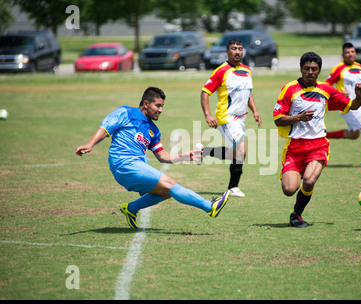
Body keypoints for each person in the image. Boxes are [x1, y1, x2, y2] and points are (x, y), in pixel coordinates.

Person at [75, 87, 230, 230]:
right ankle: (210, 207)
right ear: (146, 103)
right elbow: (105, 128)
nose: (161, 110)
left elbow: (162, 156)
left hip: (136, 166)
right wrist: (90, 144)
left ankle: (131, 209)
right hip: (124, 162)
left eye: (162, 106)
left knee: (165, 192)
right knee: (169, 183)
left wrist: (184, 156)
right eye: (158, 106)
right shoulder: (125, 113)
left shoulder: (153, 130)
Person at [273, 52, 361, 228]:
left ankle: (296, 214)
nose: (310, 72)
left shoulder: (327, 90)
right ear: (301, 69)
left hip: (318, 145)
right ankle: (298, 178)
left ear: (319, 71)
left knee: (308, 180)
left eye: (314, 69)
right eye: (306, 68)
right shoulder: (290, 89)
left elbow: (352, 105)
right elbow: (278, 118)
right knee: (288, 190)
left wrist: (359, 96)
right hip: (295, 146)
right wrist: (298, 117)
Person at [199, 38, 261, 198]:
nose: (237, 51)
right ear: (227, 52)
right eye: (234, 48)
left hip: (241, 119)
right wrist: (208, 114)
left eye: (240, 48)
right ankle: (233, 188)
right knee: (241, 150)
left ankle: (204, 152)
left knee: (236, 153)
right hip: (226, 117)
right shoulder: (221, 71)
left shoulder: (247, 70)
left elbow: (247, 92)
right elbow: (205, 92)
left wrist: (254, 110)